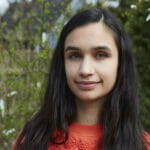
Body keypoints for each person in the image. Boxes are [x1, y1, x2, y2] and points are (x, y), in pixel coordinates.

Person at [12, 8, 150, 150]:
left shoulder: (142, 146)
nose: (85, 70)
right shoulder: (32, 139)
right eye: (74, 55)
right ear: (62, 63)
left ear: (120, 62)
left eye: (100, 54)